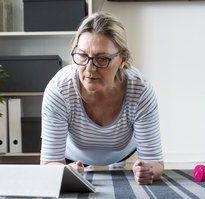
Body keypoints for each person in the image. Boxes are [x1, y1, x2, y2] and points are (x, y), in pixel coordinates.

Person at [40, 11, 164, 185]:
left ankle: (116, 163)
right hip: (74, 154)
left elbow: (155, 161)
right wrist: (66, 172)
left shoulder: (140, 89)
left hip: (121, 149)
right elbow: (48, 163)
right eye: (82, 55)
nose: (90, 69)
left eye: (102, 59)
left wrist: (148, 169)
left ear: (123, 59)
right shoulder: (59, 89)